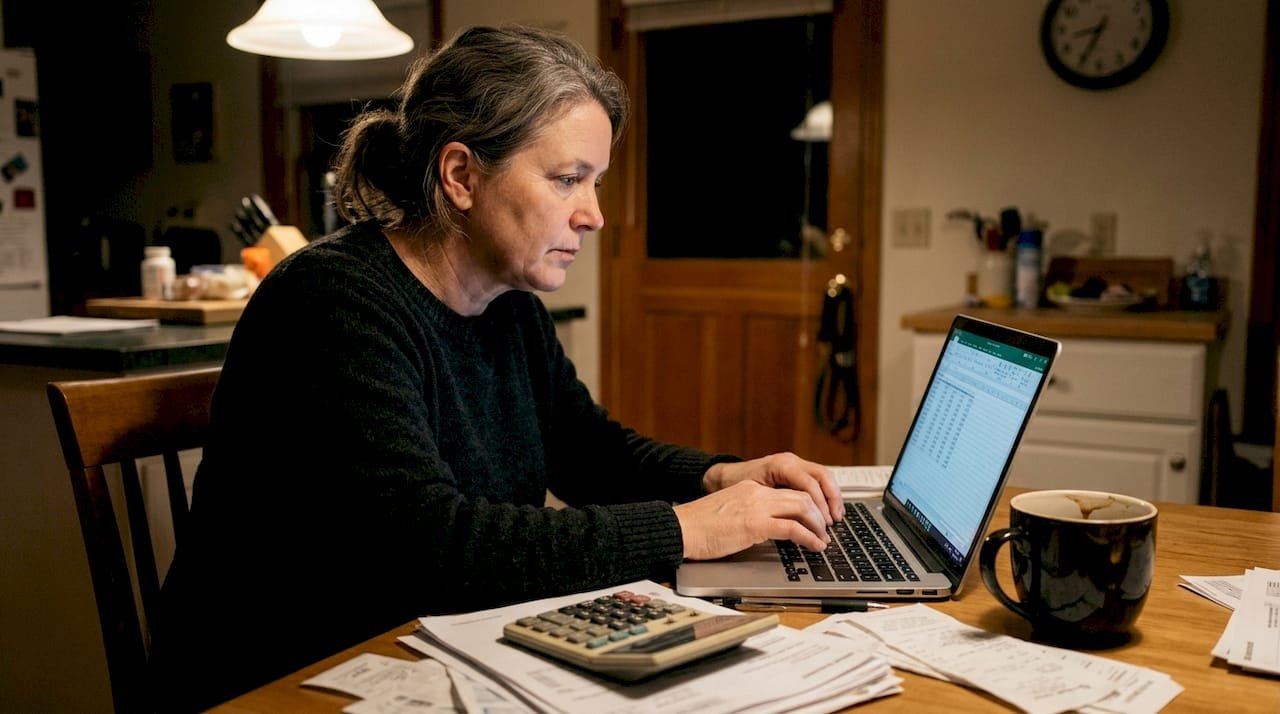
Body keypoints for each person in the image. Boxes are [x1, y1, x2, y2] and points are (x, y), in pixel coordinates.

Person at [150, 24, 843, 711]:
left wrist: (720, 476)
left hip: (430, 651)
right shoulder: (331, 301)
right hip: (285, 680)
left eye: (595, 182)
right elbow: (432, 546)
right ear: (461, 176)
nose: (594, 215)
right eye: (568, 179)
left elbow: (587, 450)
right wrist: (691, 527)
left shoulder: (507, 304)